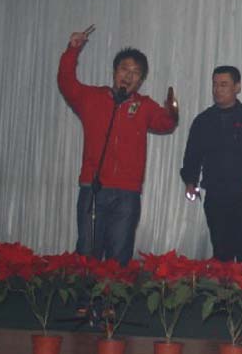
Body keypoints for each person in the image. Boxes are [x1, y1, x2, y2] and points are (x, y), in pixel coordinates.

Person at [58, 28, 178, 265]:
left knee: (120, 257)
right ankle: (85, 291)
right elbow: (66, 83)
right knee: (87, 253)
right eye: (124, 69)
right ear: (114, 71)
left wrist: (172, 112)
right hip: (93, 188)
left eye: (135, 73)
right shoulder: (92, 98)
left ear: (140, 81)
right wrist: (72, 50)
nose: (128, 76)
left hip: (127, 193)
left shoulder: (144, 106)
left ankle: (114, 292)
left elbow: (165, 124)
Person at [180, 65, 242, 267]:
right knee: (221, 254)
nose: (218, 90)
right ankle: (222, 288)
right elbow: (192, 157)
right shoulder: (203, 121)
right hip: (216, 194)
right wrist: (190, 182)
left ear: (237, 87)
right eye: (215, 85)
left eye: (224, 85)